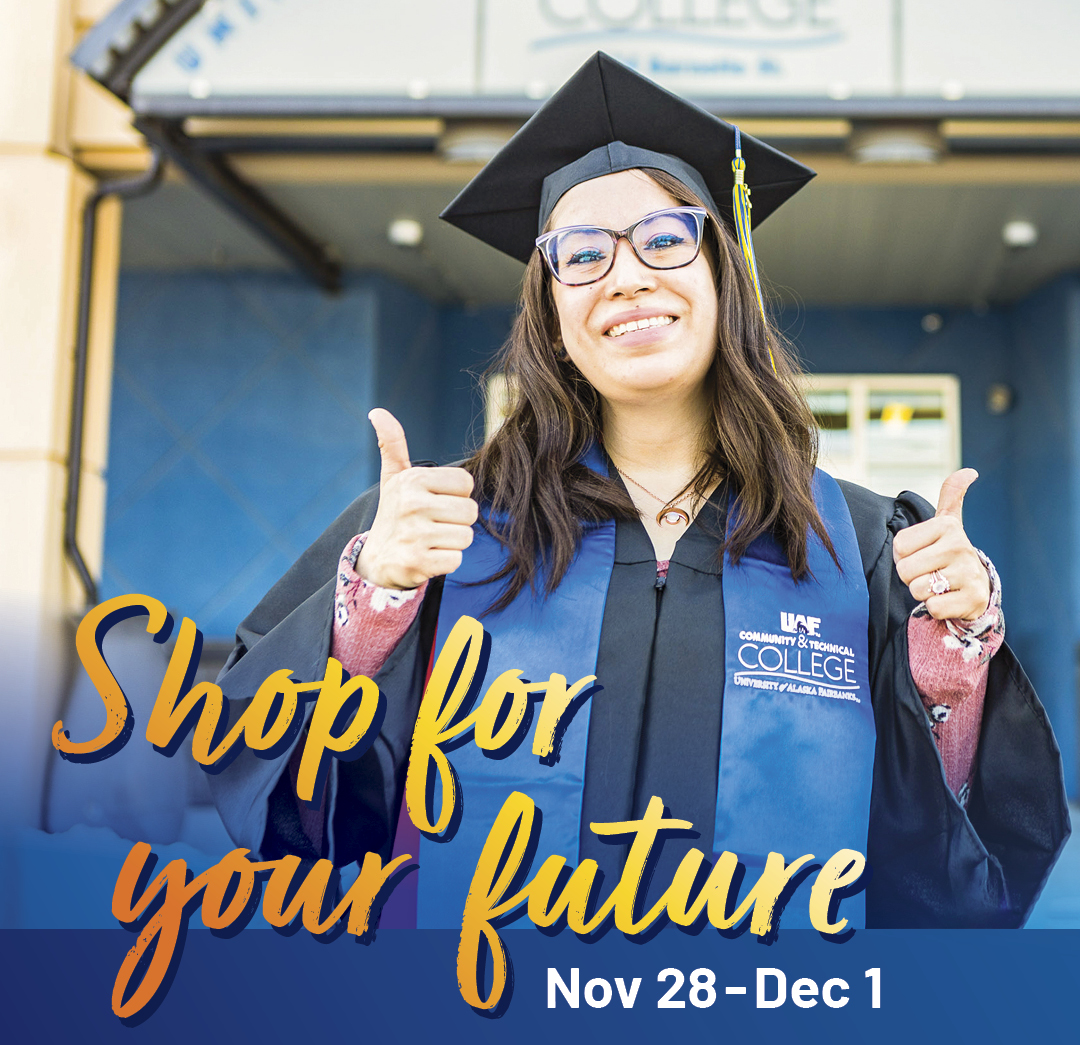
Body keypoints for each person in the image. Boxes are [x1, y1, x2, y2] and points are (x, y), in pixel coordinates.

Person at [210, 53, 1069, 930]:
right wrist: (374, 612)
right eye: (580, 254)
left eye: (665, 238)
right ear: (550, 314)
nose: (625, 276)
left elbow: (947, 862)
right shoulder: (441, 528)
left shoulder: (859, 540)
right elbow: (305, 814)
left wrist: (951, 678)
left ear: (723, 279)